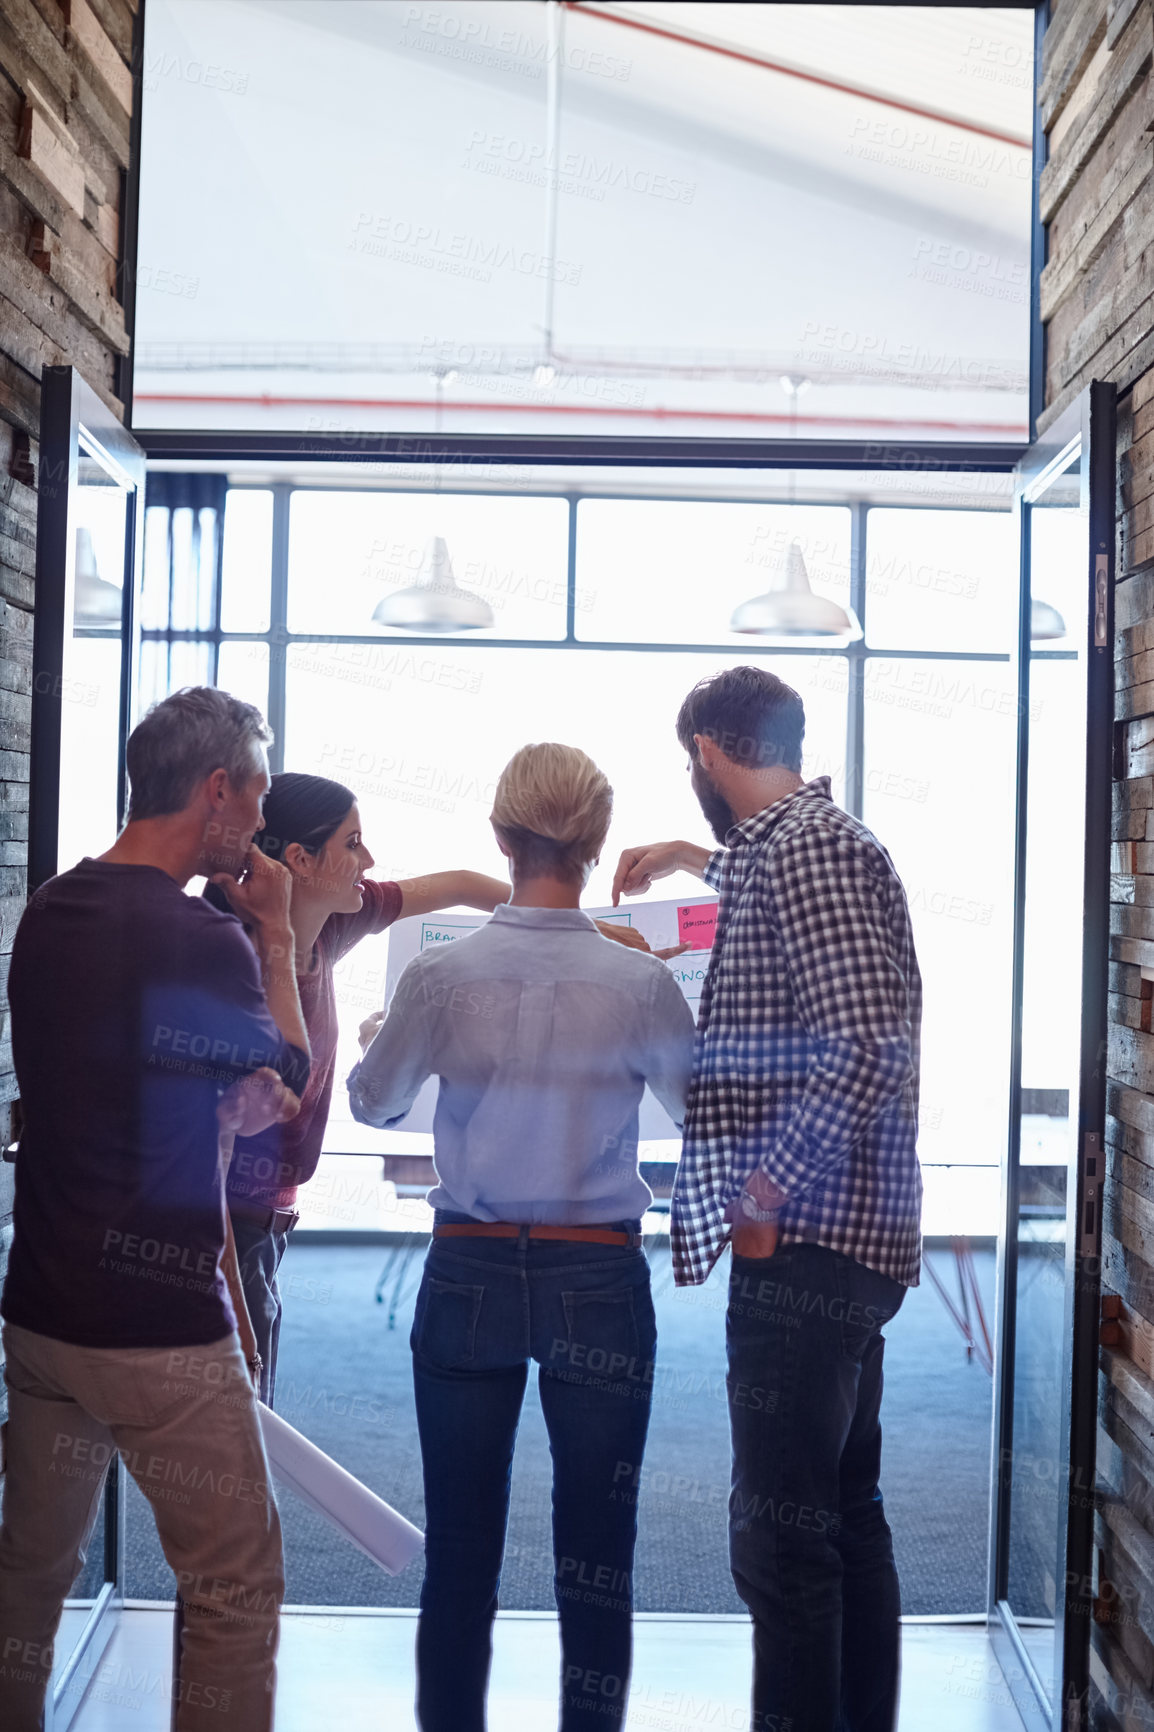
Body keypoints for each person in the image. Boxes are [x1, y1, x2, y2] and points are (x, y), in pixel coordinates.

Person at [347, 743, 696, 1732]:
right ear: (591, 847)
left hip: (466, 1267)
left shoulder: (442, 974)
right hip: (598, 1274)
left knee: (459, 1548)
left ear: (501, 839)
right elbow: (695, 1107)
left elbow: (374, 1105)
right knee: (598, 1553)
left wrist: (380, 1035)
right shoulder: (635, 983)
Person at [612, 666, 922, 1732]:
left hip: (805, 1244)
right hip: (834, 1242)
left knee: (781, 1543)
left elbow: (865, 1048)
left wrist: (764, 1187)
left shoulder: (813, 853)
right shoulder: (790, 847)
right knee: (839, 1515)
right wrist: (690, 855)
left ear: (705, 749)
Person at [0, 687, 312, 1732]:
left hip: (41, 1311)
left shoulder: (49, 909)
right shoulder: (201, 937)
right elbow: (290, 1084)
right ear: (216, 789)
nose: (261, 826)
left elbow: (101, 1074)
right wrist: (272, 931)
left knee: (29, 1570)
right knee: (233, 1579)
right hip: (156, 1327)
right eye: (256, 797)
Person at [205, 771, 512, 1405]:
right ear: (299, 859)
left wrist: (562, 923)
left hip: (270, 1219)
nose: (368, 860)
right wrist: (232, 1295)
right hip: (228, 1229)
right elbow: (208, 1159)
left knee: (243, 1425)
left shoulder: (333, 925)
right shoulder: (235, 968)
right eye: (353, 843)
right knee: (239, 1428)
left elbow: (458, 884)